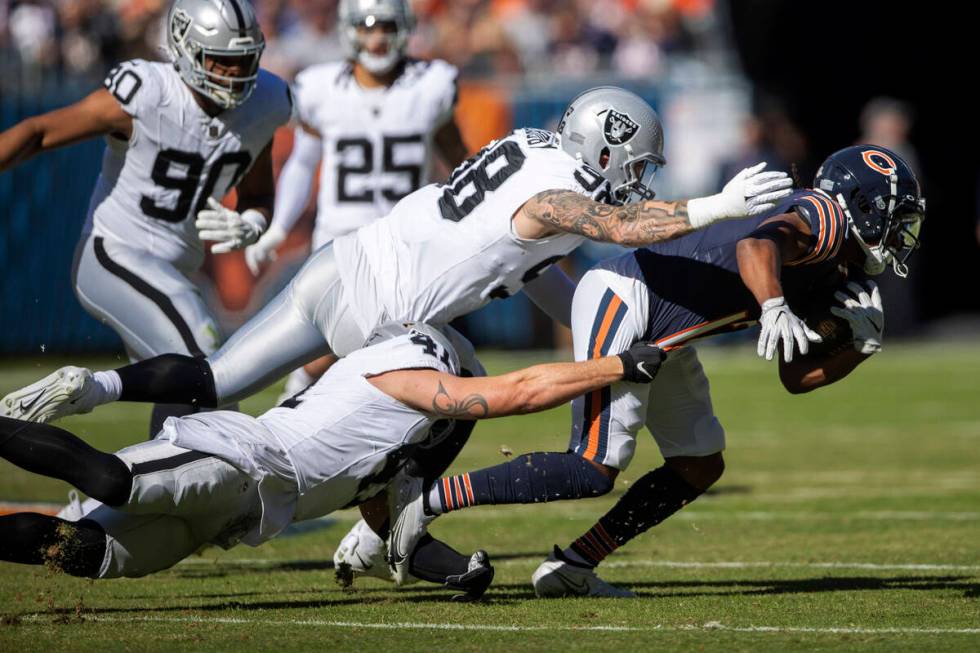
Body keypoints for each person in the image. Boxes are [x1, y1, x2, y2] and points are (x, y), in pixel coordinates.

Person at [2, 86, 792, 584]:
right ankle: (392, 533)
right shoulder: (562, 191)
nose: (639, 177)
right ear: (608, 148)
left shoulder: (528, 148)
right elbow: (613, 221)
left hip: (342, 266)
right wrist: (713, 208)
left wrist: (599, 320)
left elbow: (538, 274)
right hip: (381, 318)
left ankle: (95, 383)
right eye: (635, 163)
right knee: (453, 404)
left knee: (217, 377)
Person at [386, 144, 926, 596]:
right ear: (864, 206)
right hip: (629, 296)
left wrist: (857, 347)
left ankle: (573, 567)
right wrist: (774, 306)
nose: (904, 233)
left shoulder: (842, 269)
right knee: (594, 466)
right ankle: (422, 500)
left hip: (665, 334)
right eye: (896, 216)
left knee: (698, 464)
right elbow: (756, 245)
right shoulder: (823, 219)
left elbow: (794, 377)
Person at [0, 323, 668, 602]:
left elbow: (391, 528)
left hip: (236, 513)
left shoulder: (392, 438)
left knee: (79, 548)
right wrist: (613, 365)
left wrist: (460, 573)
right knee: (112, 478)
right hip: (239, 457)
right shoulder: (403, 376)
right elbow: (513, 394)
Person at [0, 0, 292, 435]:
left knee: (189, 386)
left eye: (244, 60)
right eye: (221, 61)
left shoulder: (265, 101)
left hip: (175, 269)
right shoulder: (147, 91)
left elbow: (258, 193)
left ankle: (158, 489)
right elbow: (39, 131)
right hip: (113, 253)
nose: (235, 74)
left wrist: (253, 221)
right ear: (184, 48)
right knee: (208, 358)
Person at [244, 0, 468, 400]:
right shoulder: (320, 86)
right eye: (366, 27)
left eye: (385, 26)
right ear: (348, 30)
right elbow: (302, 162)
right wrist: (277, 229)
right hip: (339, 238)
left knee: (399, 353)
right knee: (324, 346)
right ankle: (286, 412)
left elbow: (461, 163)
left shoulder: (431, 84)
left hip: (404, 241)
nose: (377, 38)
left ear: (403, 28)